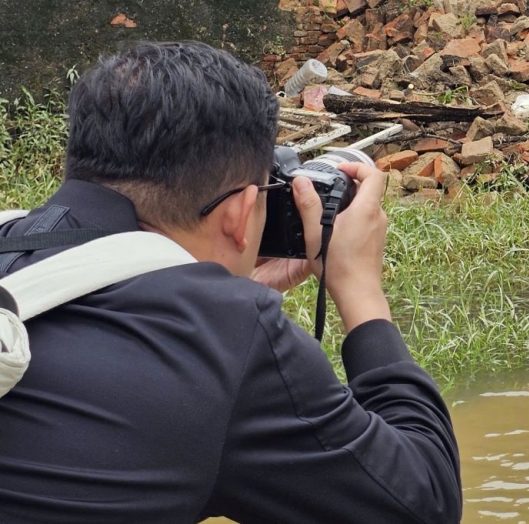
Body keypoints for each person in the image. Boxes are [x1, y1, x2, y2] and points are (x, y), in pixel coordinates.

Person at [0, 42, 462, 524]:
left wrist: (213, 287)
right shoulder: (228, 333)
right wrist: (360, 290)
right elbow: (423, 504)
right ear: (241, 214)